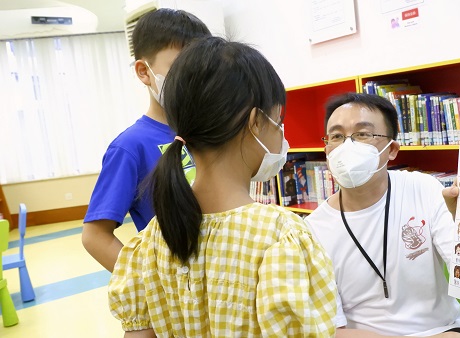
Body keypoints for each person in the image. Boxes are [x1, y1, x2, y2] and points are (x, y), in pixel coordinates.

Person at [108, 37, 339, 337]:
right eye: (278, 120)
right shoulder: (281, 237)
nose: (281, 132)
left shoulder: (151, 240)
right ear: (255, 121)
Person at [306, 93, 460, 337]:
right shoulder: (312, 230)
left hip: (442, 331)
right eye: (337, 136)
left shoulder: (424, 188)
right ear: (327, 150)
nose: (347, 146)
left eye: (362, 134)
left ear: (392, 150)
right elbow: (333, 330)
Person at [82, 9, 211, 272]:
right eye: (181, 68)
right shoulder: (130, 147)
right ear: (144, 71)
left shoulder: (209, 131)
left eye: (202, 70)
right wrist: (146, 282)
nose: (194, 80)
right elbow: (95, 236)